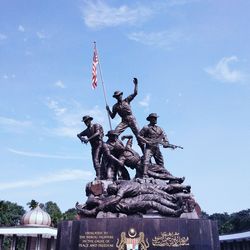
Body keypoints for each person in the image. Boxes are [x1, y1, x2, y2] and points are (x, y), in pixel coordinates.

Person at [106, 78, 144, 152]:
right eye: (117, 96)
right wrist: (108, 110)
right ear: (115, 97)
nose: (118, 96)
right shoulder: (115, 106)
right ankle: (115, 148)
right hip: (124, 121)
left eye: (119, 95)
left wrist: (136, 84)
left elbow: (135, 93)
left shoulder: (127, 100)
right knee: (115, 133)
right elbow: (112, 117)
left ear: (121, 95)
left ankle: (145, 153)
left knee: (139, 136)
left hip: (131, 119)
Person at [139, 113, 171, 178]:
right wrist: (147, 142)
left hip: (156, 148)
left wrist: (166, 143)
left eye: (156, 118)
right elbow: (139, 136)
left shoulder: (159, 128)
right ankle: (145, 174)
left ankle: (163, 175)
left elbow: (164, 135)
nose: (156, 119)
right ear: (150, 119)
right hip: (149, 148)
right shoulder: (146, 127)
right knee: (146, 160)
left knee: (160, 162)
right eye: (154, 118)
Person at [77, 115, 104, 180]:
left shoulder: (96, 125)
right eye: (85, 122)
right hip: (94, 147)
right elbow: (78, 134)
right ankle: (99, 175)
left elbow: (97, 133)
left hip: (100, 145)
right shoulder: (86, 130)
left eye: (87, 121)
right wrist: (81, 138)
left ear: (90, 120)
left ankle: (100, 175)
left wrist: (88, 139)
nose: (86, 122)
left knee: (97, 160)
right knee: (95, 162)